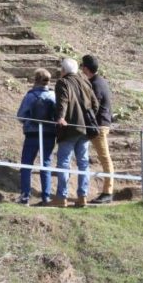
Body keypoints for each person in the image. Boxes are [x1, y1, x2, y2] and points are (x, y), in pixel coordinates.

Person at [47, 57, 99, 208]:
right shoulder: (85, 81)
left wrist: (61, 117)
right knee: (83, 163)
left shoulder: (63, 82)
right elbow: (95, 104)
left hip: (69, 129)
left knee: (64, 162)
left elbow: (62, 101)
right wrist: (87, 118)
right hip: (84, 130)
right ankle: (82, 196)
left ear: (64, 70)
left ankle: (61, 197)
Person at [16, 68, 57, 206]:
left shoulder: (30, 96)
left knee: (26, 164)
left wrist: (29, 121)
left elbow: (20, 116)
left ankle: (25, 196)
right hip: (49, 134)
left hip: (32, 133)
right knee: (45, 163)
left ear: (35, 80)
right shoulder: (53, 96)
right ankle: (46, 196)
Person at [81, 55, 115, 204]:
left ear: (86, 69)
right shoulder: (99, 81)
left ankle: (108, 192)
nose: (81, 68)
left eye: (82, 66)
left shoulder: (95, 84)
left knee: (105, 159)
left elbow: (92, 108)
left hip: (98, 126)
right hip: (100, 124)